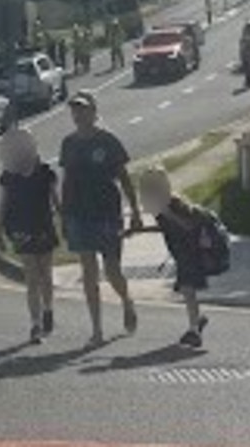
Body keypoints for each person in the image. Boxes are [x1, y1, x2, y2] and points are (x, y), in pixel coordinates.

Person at [59, 90, 141, 346]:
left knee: (112, 269)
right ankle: (97, 329)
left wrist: (135, 211)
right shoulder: (68, 143)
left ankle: (126, 300)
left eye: (83, 109)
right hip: (79, 213)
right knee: (89, 271)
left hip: (106, 212)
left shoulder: (108, 141)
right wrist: (63, 214)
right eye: (75, 110)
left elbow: (124, 177)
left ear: (94, 112)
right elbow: (67, 180)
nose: (79, 114)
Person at [137, 166, 213, 348]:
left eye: (152, 187)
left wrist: (168, 214)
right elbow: (166, 227)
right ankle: (197, 321)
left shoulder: (173, 204)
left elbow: (188, 226)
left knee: (188, 290)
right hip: (181, 254)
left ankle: (194, 330)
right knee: (188, 291)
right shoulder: (160, 207)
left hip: (191, 252)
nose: (149, 191)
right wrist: (137, 230)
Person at [0, 128, 59, 345]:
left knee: (46, 275)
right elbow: (3, 205)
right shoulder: (9, 177)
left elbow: (55, 201)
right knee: (31, 279)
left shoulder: (45, 173)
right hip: (21, 230)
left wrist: (64, 221)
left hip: (43, 226)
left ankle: (48, 309)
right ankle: (35, 323)